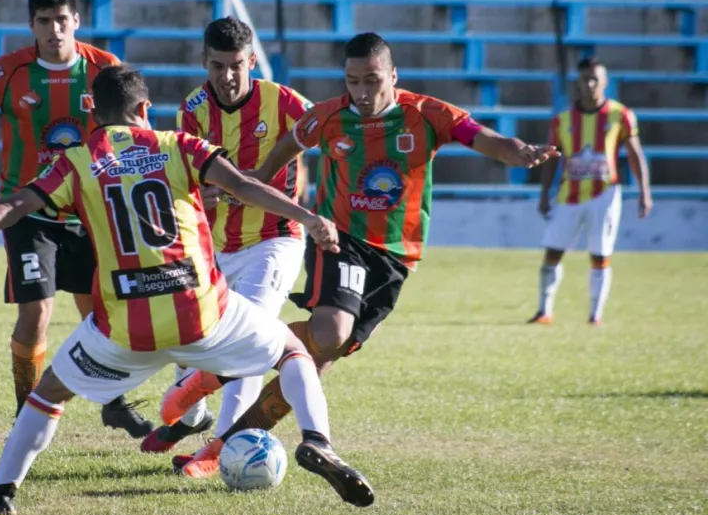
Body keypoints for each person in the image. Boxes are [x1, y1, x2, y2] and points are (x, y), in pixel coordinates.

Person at [0, 65, 375, 515]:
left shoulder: (77, 162)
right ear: (145, 108)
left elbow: (13, 205)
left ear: (93, 116)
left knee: (47, 394)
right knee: (293, 353)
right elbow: (244, 186)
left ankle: (1, 493)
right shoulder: (180, 145)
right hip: (203, 315)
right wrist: (309, 218)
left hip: (124, 331)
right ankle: (317, 440)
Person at [164, 32, 561, 478]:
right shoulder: (330, 116)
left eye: (372, 81)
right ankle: (239, 416)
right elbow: (293, 141)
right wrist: (258, 176)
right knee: (329, 333)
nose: (362, 93)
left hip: (396, 259)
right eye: (353, 82)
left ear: (393, 76)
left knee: (317, 358)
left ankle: (218, 434)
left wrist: (518, 151)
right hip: (341, 240)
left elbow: (479, 136)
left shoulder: (426, 113)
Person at [0, 0, 151, 437]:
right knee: (36, 313)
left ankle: (114, 402)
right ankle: (26, 413)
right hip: (27, 210)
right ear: (31, 24)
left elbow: (134, 124)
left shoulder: (104, 68)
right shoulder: (10, 72)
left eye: (62, 20)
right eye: (44, 21)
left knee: (101, 310)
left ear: (76, 20)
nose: (54, 30)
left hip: (89, 208)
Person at [140, 17, 313, 454]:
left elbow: (323, 137)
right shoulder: (192, 109)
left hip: (275, 238)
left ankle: (223, 449)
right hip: (214, 248)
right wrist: (213, 195)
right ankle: (192, 419)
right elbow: (188, 181)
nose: (228, 76)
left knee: (252, 337)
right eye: (218, 66)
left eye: (237, 65)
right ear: (204, 62)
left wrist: (307, 192)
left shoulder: (285, 102)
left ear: (252, 61)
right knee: (189, 339)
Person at [530, 57, 652, 325]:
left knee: (600, 255)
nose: (591, 83)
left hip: (605, 194)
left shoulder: (620, 115)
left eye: (596, 78)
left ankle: (595, 315)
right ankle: (543, 310)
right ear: (579, 81)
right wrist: (543, 195)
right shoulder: (562, 120)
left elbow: (635, 154)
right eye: (586, 78)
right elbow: (552, 159)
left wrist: (644, 191)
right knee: (552, 251)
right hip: (568, 195)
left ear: (605, 82)